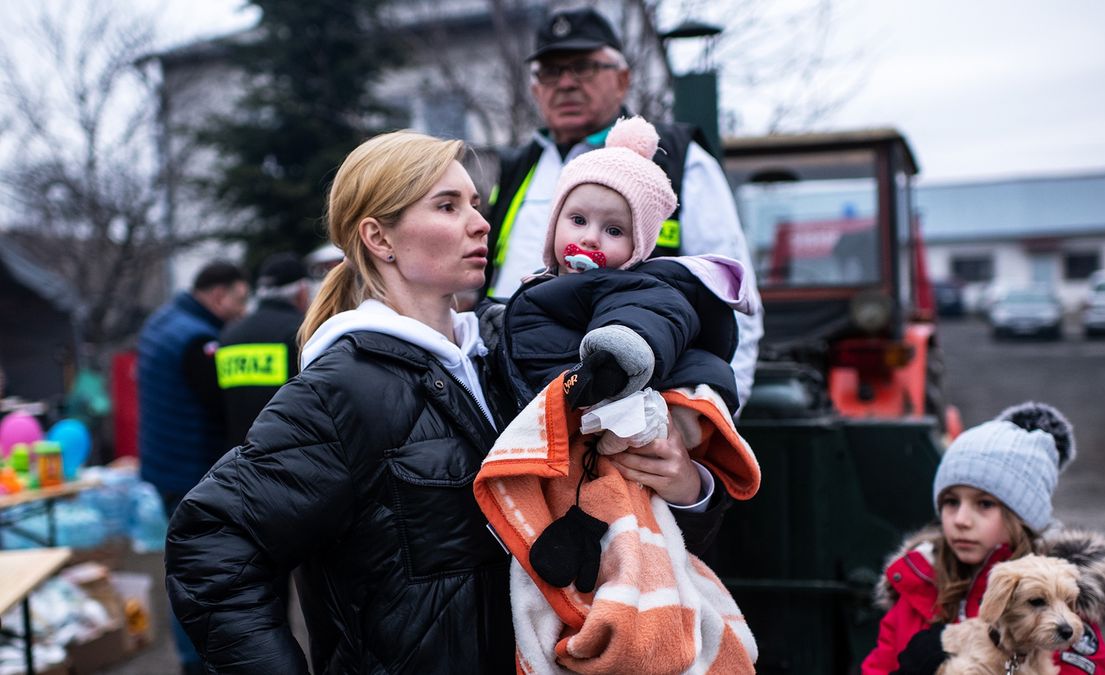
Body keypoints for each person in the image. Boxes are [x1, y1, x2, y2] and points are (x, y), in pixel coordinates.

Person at [164, 130, 728, 674]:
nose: (481, 223)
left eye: (476, 204)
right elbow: (210, 544)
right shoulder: (341, 390)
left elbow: (616, 523)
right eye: (448, 205)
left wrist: (686, 490)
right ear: (379, 239)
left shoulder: (511, 355)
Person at [483, 6, 763, 411]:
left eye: (582, 67)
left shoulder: (678, 156)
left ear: (623, 79)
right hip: (519, 391)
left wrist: (710, 425)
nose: (565, 83)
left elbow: (733, 295)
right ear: (534, 89)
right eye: (549, 72)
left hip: (635, 402)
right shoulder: (516, 166)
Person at [502, 116, 752, 459]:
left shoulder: (630, 287)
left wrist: (614, 358)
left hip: (609, 412)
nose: (590, 237)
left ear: (638, 248)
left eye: (614, 231)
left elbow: (647, 317)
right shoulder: (540, 286)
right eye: (577, 220)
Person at [861, 402, 1105, 675]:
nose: (961, 519)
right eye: (951, 502)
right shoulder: (918, 580)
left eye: (984, 504)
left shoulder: (1058, 591)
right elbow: (877, 668)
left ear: (1022, 517)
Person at [136, 260, 248, 675]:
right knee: (197, 577)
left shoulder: (162, 321)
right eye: (238, 300)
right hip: (189, 473)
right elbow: (220, 406)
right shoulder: (198, 340)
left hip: (164, 468)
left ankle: (192, 658)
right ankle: (196, 663)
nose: (241, 310)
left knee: (183, 571)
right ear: (218, 295)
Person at [215, 252, 311, 447]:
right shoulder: (302, 333)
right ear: (302, 291)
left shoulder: (229, 336)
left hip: (237, 461)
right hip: (289, 455)